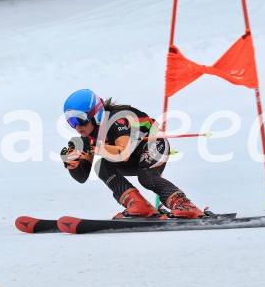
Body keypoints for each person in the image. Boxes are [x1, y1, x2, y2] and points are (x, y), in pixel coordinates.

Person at [60, 88, 205, 219]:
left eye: (80, 120)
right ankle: (140, 205)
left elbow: (123, 152)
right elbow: (82, 176)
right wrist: (73, 164)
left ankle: (185, 205)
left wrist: (96, 148)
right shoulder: (86, 137)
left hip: (154, 144)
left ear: (96, 115)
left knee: (146, 176)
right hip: (134, 155)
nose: (77, 127)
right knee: (101, 166)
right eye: (71, 122)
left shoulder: (117, 119)